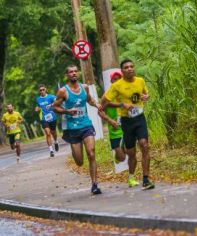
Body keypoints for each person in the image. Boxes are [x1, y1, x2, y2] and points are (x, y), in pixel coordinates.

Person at [102, 59, 154, 190]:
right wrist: (121, 104)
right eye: (126, 67)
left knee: (144, 145)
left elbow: (145, 93)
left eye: (131, 66)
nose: (129, 69)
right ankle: (131, 177)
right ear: (122, 71)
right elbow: (104, 103)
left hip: (139, 118)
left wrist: (146, 96)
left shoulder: (140, 81)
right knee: (131, 153)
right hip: (126, 121)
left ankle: (146, 179)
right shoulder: (117, 86)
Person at [53, 64, 103, 195]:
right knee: (80, 162)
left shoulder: (84, 87)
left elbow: (90, 100)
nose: (74, 73)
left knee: (91, 153)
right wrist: (67, 111)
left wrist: (97, 104)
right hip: (72, 129)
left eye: (75, 71)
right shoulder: (63, 91)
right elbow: (55, 107)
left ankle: (95, 184)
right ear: (67, 75)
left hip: (86, 125)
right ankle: (74, 148)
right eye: (71, 72)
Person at [98, 70, 136, 185]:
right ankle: (118, 155)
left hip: (128, 127)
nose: (117, 81)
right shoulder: (107, 96)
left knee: (132, 153)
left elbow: (136, 104)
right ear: (111, 81)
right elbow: (100, 112)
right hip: (115, 129)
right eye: (114, 79)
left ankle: (131, 178)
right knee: (122, 157)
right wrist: (110, 121)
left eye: (119, 78)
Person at [35, 84, 59, 157]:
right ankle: (51, 150)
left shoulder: (51, 96)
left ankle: (55, 141)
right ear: (39, 91)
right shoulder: (38, 99)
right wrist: (37, 109)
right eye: (40, 90)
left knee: (53, 132)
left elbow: (57, 102)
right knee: (48, 133)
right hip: (44, 118)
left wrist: (51, 105)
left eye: (43, 89)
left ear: (45, 89)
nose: (42, 91)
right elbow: (37, 107)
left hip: (52, 117)